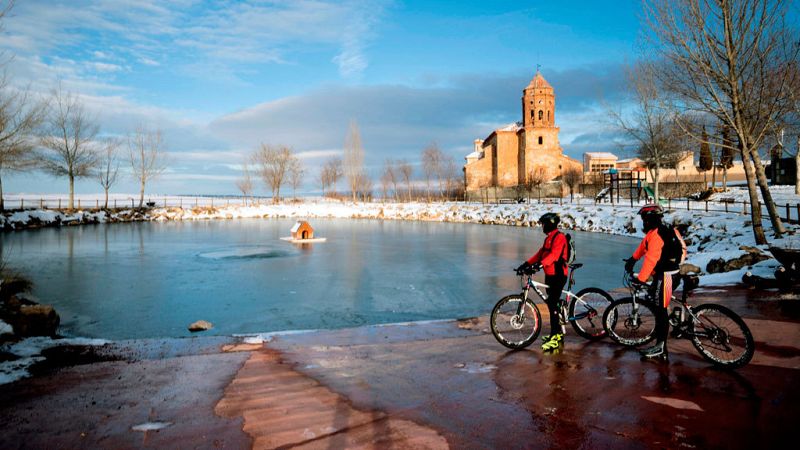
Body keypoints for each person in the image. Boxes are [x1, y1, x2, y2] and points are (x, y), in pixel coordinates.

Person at [624, 204, 687, 360]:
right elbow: (644, 246)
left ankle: (661, 348)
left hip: (666, 276)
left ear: (650, 219)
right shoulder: (665, 230)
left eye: (644, 219)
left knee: (660, 311)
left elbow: (651, 260)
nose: (643, 222)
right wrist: (633, 258)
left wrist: (640, 279)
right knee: (656, 299)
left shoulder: (658, 234)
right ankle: (677, 317)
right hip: (671, 273)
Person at [517, 213, 569, 351]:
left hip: (558, 275)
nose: (542, 227)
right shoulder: (549, 239)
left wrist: (539, 266)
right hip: (550, 275)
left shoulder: (559, 237)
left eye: (543, 224)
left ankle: (555, 337)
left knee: (552, 304)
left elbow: (554, 255)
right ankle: (558, 333)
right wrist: (526, 264)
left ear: (550, 224)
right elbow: (540, 254)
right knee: (553, 305)